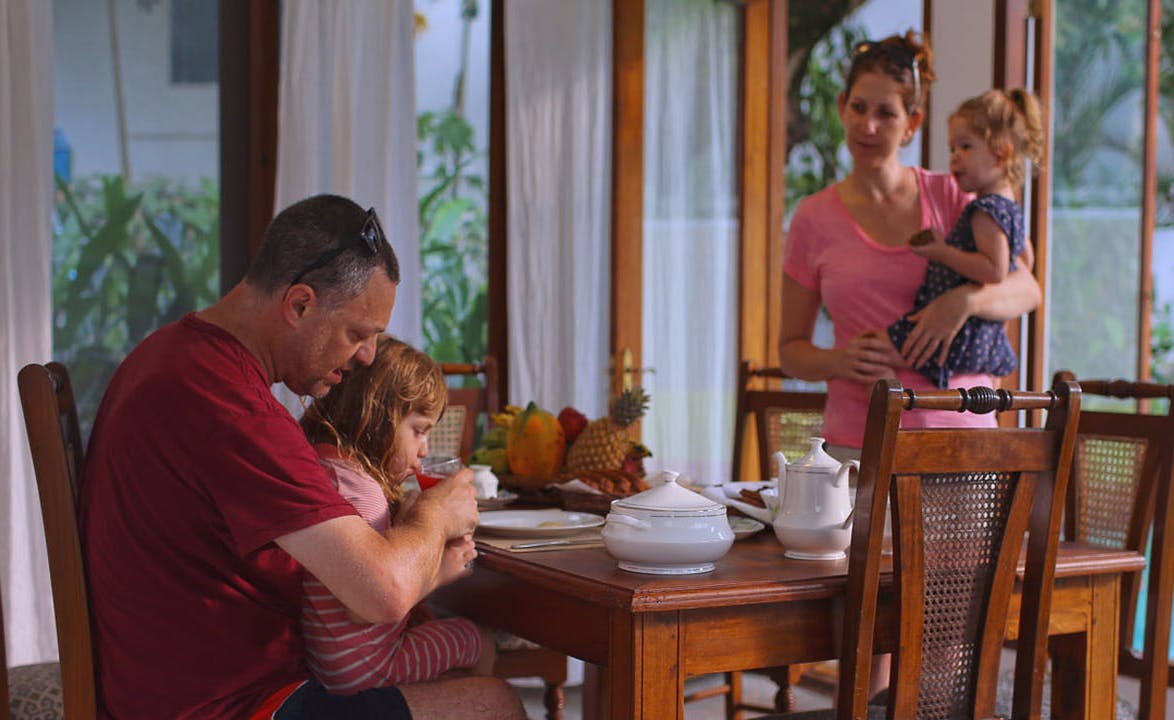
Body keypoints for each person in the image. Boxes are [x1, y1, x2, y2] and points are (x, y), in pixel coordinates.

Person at [78, 194, 525, 719]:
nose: (367, 357)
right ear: (300, 305)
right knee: (492, 703)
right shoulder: (234, 407)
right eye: (358, 334)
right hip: (226, 707)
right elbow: (384, 590)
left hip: (169, 690)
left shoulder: (169, 355)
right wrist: (436, 511)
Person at [779, 31, 1042, 460]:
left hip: (961, 434)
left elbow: (1028, 288)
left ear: (911, 124)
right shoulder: (812, 217)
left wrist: (962, 302)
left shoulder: (953, 195)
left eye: (886, 113)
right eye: (859, 108)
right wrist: (839, 361)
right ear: (842, 107)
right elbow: (791, 352)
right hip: (859, 441)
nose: (868, 126)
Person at [299, 334, 496, 691]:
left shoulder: (325, 469)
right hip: (368, 668)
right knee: (477, 638)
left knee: (432, 624)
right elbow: (366, 606)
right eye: (419, 431)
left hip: (326, 665)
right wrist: (439, 571)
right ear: (378, 416)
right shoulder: (363, 494)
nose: (424, 450)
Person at [888, 89, 1045, 388]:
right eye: (952, 149)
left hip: (962, 333)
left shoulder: (985, 211)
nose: (955, 157)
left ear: (1001, 152)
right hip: (980, 333)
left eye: (966, 146)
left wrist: (943, 252)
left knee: (877, 350)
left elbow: (995, 270)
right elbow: (1025, 260)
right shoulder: (1010, 209)